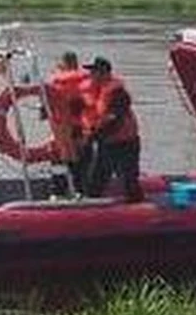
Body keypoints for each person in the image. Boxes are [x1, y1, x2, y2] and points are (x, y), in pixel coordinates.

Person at [79, 57, 143, 202]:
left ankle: (137, 207)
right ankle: (91, 205)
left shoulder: (117, 92)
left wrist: (93, 137)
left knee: (129, 179)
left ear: (104, 73)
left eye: (94, 71)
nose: (91, 75)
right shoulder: (98, 90)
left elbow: (115, 119)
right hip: (108, 143)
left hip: (126, 143)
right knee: (97, 178)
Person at [43, 51, 89, 196]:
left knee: (59, 160)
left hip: (61, 129)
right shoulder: (85, 80)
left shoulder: (54, 82)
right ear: (76, 63)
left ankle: (57, 191)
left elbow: (44, 111)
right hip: (79, 128)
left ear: (62, 65)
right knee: (80, 161)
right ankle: (80, 190)